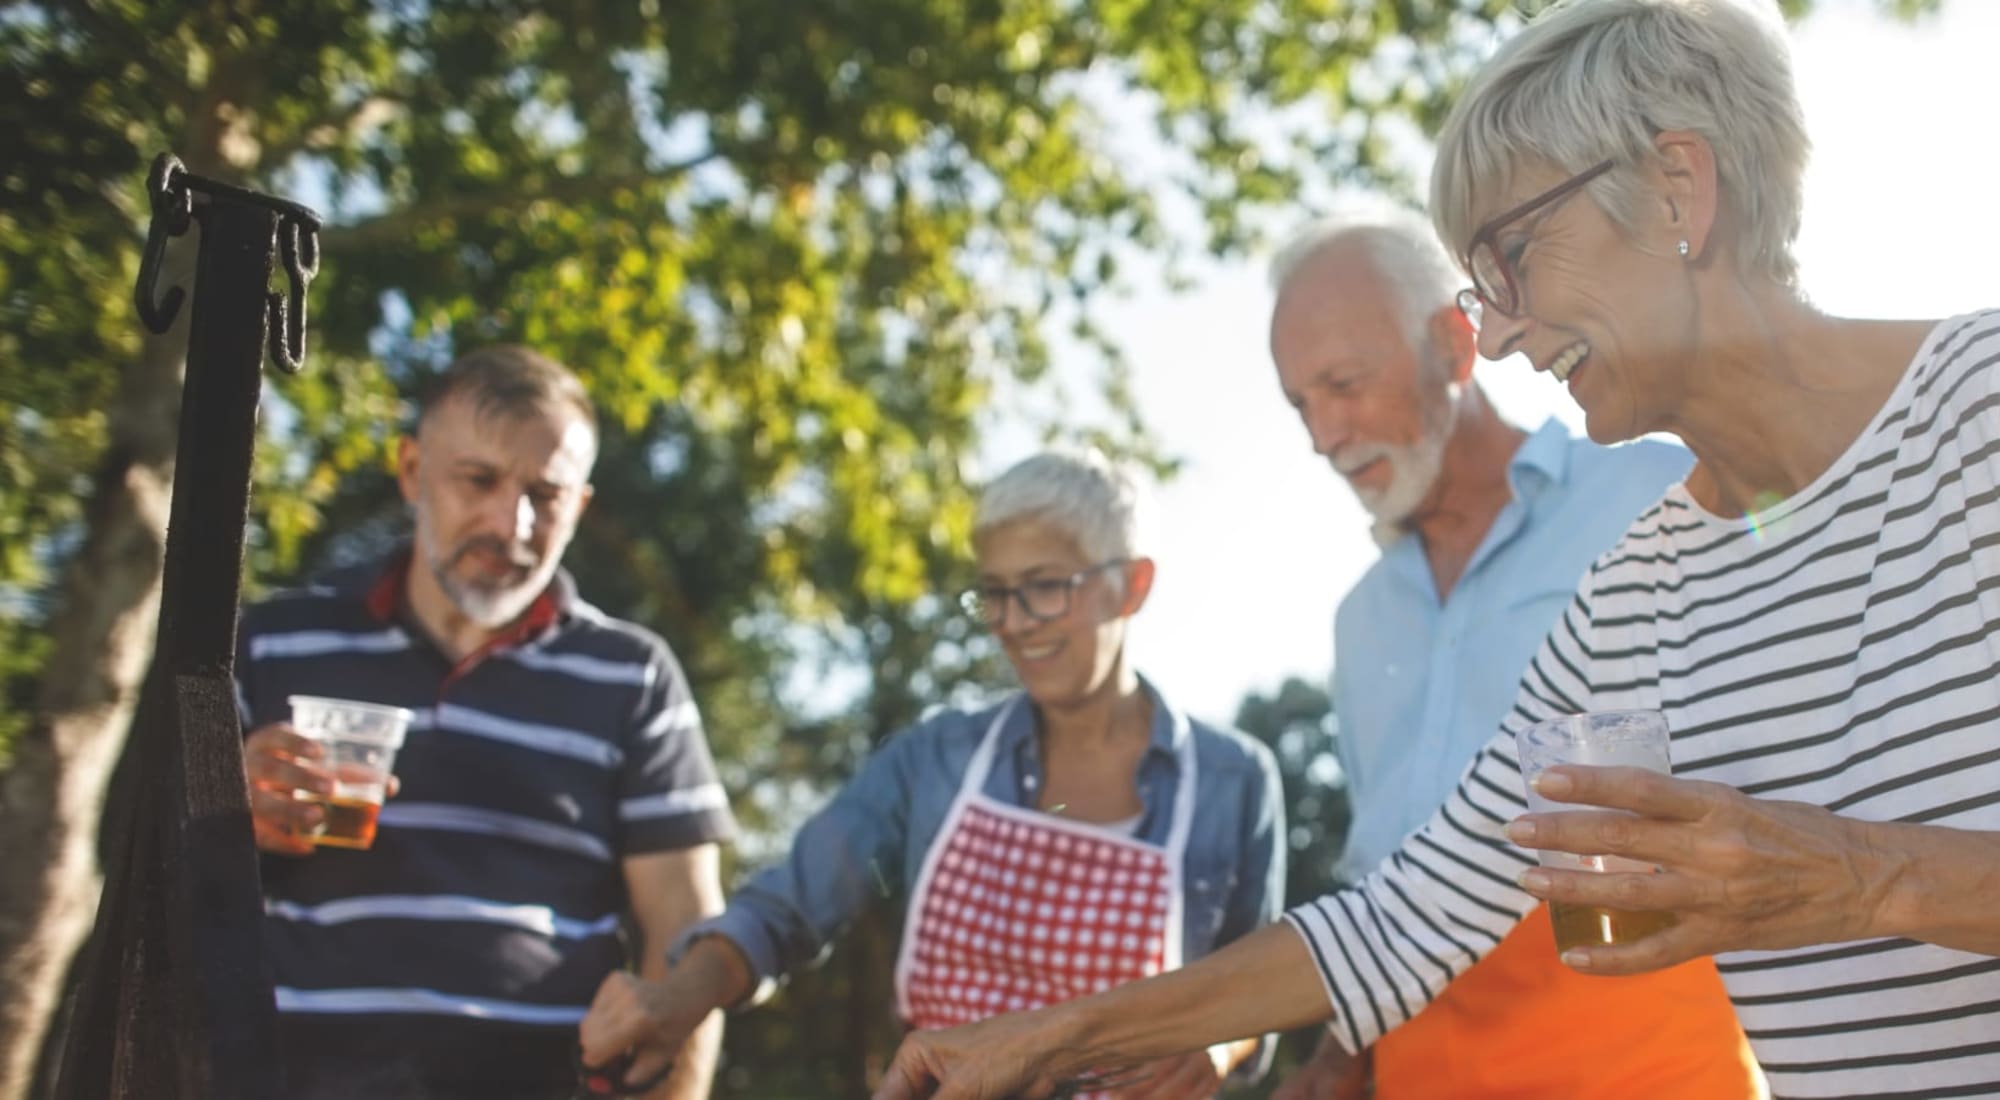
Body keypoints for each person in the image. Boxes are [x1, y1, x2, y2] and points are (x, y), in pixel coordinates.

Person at [866, 2, 2000, 1097]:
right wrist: (1041, 1038)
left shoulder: (1980, 409)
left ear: (1674, 189)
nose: (1497, 331)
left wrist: (1856, 873)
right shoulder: (1635, 593)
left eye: (1511, 255)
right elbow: (1404, 917)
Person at [578, 449, 1287, 1098]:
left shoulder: (1233, 782)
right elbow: (787, 908)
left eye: (1043, 588)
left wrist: (1221, 1043)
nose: (1013, 623)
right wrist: (679, 998)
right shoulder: (935, 759)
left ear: (1131, 585)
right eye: (994, 593)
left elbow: (1270, 978)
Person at [1263, 208, 1758, 1099]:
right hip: (1422, 1067)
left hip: (1649, 1058)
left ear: (1455, 348)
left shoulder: (1653, 495)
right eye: (1301, 403)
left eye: (1342, 384)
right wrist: (1341, 1057)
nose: (1322, 435)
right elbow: (1386, 883)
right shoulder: (1359, 622)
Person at [235, 346, 736, 1099]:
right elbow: (157, 875)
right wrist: (224, 812)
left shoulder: (632, 674)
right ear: (411, 472)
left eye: (546, 493)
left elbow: (686, 932)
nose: (513, 523)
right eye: (479, 480)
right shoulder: (274, 642)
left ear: (583, 507)